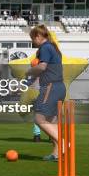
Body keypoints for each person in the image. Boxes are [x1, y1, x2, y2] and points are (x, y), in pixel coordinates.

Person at [26, 25, 65, 161]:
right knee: (51, 121)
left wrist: (29, 71)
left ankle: (65, 144)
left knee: (39, 119)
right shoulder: (52, 47)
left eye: (32, 38)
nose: (32, 42)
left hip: (50, 87)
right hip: (58, 87)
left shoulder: (45, 48)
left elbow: (42, 67)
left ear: (38, 36)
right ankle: (57, 153)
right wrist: (26, 83)